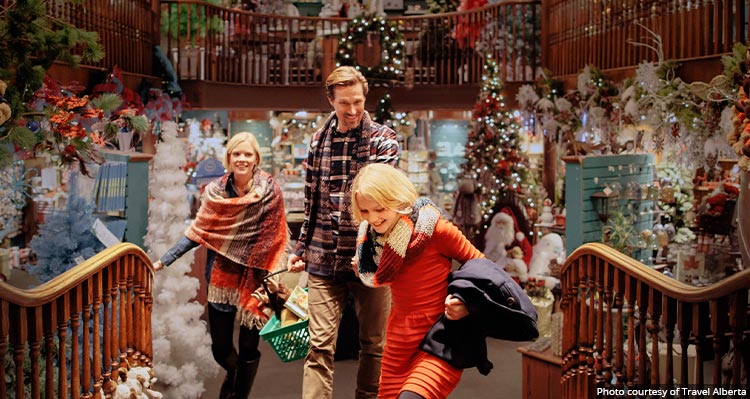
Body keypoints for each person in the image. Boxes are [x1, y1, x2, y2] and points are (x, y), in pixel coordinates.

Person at [287, 66, 399, 399]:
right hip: (323, 257)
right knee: (319, 347)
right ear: (330, 100)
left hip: (372, 259)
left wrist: (366, 251)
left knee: (374, 343)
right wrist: (301, 247)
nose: (352, 110)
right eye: (344, 103)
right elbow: (312, 201)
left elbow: (384, 203)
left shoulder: (383, 139)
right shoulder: (317, 140)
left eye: (358, 102)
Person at [153, 132, 288, 399]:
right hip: (221, 277)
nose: (242, 159)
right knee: (221, 349)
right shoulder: (215, 192)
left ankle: (235, 396)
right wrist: (164, 259)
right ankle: (235, 380)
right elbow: (198, 232)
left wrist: (279, 266)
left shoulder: (270, 191)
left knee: (249, 348)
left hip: (256, 278)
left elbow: (275, 235)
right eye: (236, 154)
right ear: (229, 158)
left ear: (256, 158)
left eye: (247, 154)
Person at [350, 163, 485, 399]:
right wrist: (361, 269)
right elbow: (385, 278)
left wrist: (466, 302)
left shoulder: (436, 230)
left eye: (379, 209)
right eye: (365, 212)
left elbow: (482, 267)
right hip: (399, 341)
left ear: (397, 198)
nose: (373, 219)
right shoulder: (372, 242)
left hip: (439, 338)